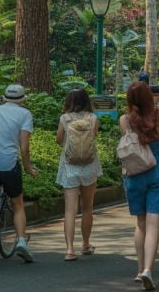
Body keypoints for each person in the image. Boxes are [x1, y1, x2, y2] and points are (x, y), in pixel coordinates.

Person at [120, 82, 159, 291]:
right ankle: (148, 270)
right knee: (154, 225)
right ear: (149, 98)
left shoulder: (125, 120)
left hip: (136, 174)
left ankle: (138, 270)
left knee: (140, 224)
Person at [0, 84, 39, 262]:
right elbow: (24, 146)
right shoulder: (24, 114)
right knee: (17, 203)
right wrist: (28, 167)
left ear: (4, 98)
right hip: (7, 163)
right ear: (23, 100)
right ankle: (21, 241)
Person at [55, 88, 101, 261]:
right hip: (89, 165)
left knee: (70, 210)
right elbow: (94, 135)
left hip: (69, 166)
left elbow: (59, 139)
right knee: (87, 208)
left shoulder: (64, 118)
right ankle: (86, 244)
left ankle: (69, 250)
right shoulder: (93, 118)